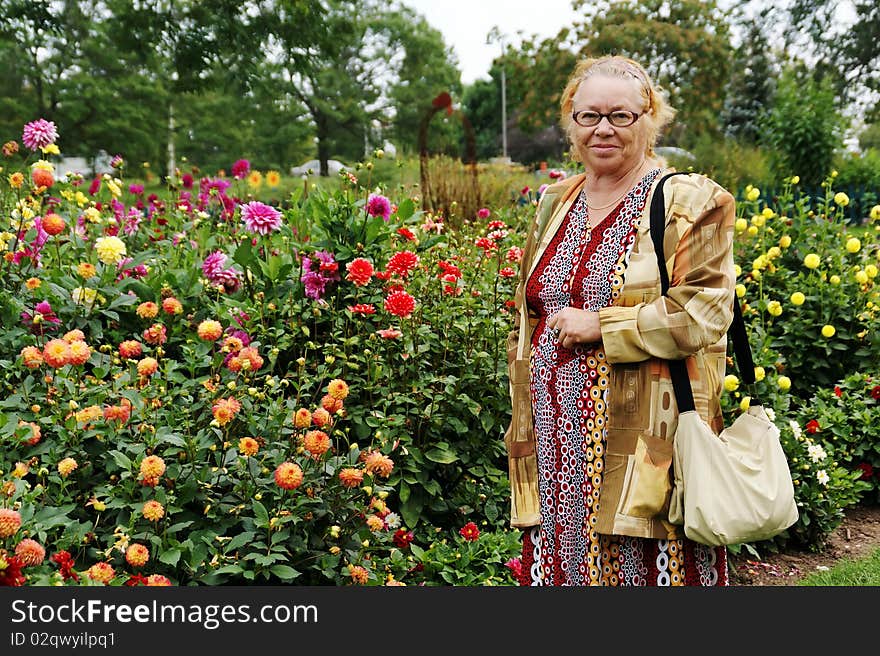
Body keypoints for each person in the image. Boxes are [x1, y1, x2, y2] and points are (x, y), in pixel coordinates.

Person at [504, 55, 736, 586]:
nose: (602, 129)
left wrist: (603, 327)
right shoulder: (554, 201)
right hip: (554, 441)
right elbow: (533, 309)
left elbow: (703, 313)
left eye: (620, 115)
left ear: (649, 118)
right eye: (588, 116)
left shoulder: (689, 200)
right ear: (572, 123)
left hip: (645, 441)